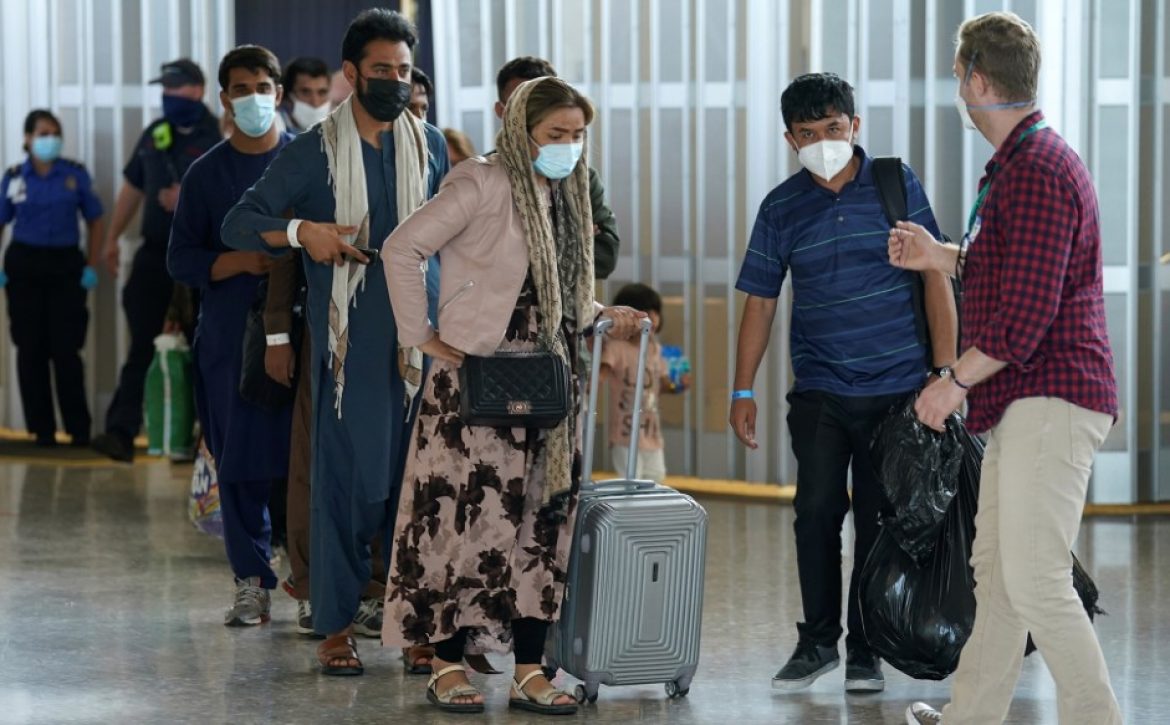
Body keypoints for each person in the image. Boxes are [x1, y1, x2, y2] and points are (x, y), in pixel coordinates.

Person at [382, 75, 645, 715]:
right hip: (477, 377)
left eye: (578, 135)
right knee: (461, 518)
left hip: (549, 376)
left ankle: (529, 665)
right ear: (522, 129)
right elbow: (401, 247)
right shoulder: (481, 180)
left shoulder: (567, 191)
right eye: (557, 135)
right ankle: (445, 663)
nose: (570, 146)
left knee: (542, 520)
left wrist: (601, 314)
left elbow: (554, 290)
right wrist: (422, 334)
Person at [896, 13, 1120, 725]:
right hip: (1024, 398)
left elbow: (1024, 315)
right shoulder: (1020, 167)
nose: (959, 91)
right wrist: (944, 255)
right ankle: (970, 716)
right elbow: (1015, 268)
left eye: (960, 77)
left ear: (978, 79)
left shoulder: (1038, 171)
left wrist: (951, 382)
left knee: (1037, 578)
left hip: (1052, 397)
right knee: (997, 577)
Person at [221, 8, 449, 676]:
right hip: (352, 349)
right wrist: (302, 233)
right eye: (381, 70)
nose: (395, 82)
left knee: (418, 489)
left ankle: (416, 626)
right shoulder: (314, 150)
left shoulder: (430, 144)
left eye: (403, 72)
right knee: (350, 488)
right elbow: (242, 222)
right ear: (351, 73)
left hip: (421, 347)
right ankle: (337, 623)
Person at [728, 72, 957, 694]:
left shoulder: (894, 184)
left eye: (833, 128)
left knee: (880, 523)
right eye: (808, 133)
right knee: (816, 513)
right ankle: (816, 642)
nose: (823, 141)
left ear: (854, 126)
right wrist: (741, 388)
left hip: (897, 389)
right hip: (823, 390)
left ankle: (866, 650)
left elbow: (937, 275)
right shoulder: (781, 207)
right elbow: (760, 300)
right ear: (789, 139)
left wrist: (943, 373)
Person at [166, 45, 295, 627]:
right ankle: (251, 579)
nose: (253, 99)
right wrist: (240, 261)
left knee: (299, 458)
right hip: (227, 336)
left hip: (301, 328)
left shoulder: (305, 161)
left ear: (280, 93)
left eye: (262, 87)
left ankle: (314, 578)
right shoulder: (206, 173)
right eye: (240, 89)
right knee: (239, 457)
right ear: (224, 99)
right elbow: (181, 258)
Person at [92, 59, 222, 462]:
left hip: (202, 259)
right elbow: (133, 187)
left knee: (207, 351)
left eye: (177, 87)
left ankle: (207, 440)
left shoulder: (219, 134)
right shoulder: (155, 135)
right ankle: (121, 431)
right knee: (143, 347)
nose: (169, 95)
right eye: (164, 87)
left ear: (198, 90)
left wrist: (189, 198)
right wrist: (112, 238)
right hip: (154, 256)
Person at [0, 110, 104, 447]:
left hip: (64, 268)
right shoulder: (15, 176)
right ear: (28, 138)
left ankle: (79, 429)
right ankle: (41, 430)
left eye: (55, 132)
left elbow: (95, 220)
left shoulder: (74, 174)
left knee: (66, 350)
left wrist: (91, 264)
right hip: (24, 267)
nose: (51, 139)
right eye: (44, 132)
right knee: (30, 350)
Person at [493, 56, 619, 280]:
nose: (532, 113)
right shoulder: (484, 178)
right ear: (502, 112)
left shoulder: (583, 181)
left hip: (568, 311)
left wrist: (530, 243)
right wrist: (571, 238)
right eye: (521, 106)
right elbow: (487, 256)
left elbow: (604, 258)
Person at [601, 283, 690, 483]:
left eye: (656, 312)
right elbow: (600, 375)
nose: (654, 319)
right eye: (647, 313)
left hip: (652, 434)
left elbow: (664, 385)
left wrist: (679, 385)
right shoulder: (616, 348)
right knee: (629, 483)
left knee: (656, 479)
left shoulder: (656, 350)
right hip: (625, 433)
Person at [279, 56, 332, 134]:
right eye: (306, 92)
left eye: (322, 92)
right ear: (289, 96)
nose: (315, 102)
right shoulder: (274, 136)